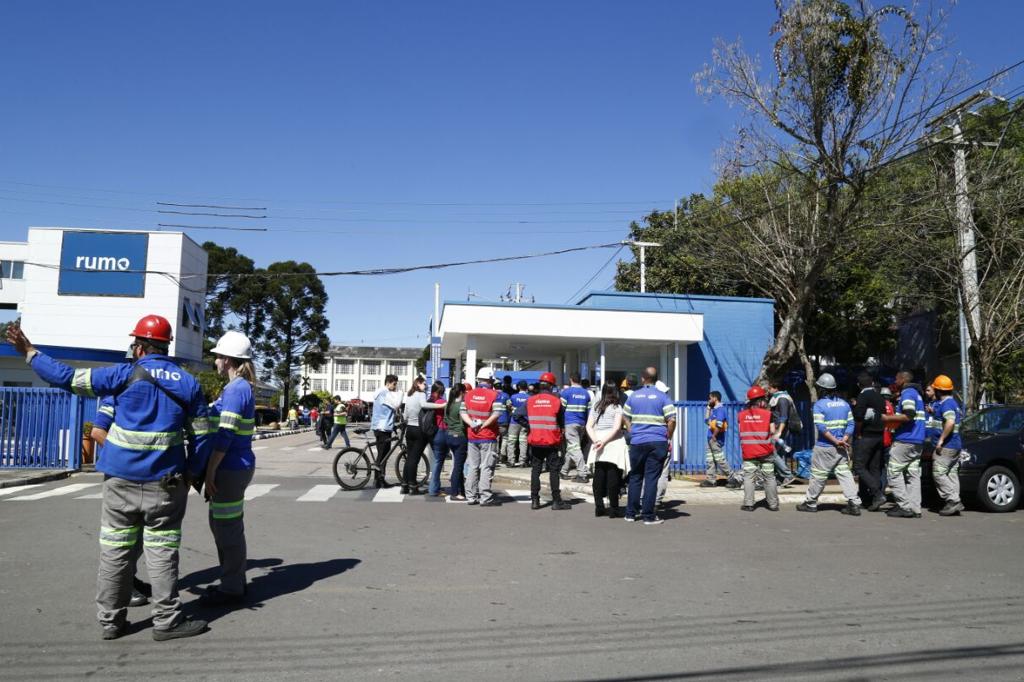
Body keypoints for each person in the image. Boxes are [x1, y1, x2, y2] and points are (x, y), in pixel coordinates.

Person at [7, 316, 210, 641]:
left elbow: (68, 378)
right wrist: (192, 473)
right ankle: (167, 621)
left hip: (119, 482)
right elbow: (202, 436)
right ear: (166, 346)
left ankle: (111, 622)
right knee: (162, 550)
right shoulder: (188, 383)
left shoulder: (120, 375)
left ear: (140, 347)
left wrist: (30, 352)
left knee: (116, 550)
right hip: (166, 484)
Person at [199, 330, 258, 606]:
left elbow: (226, 434)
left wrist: (211, 470)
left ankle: (232, 587)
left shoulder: (236, 390)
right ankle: (232, 581)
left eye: (218, 357)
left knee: (227, 528)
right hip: (234, 466)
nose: (216, 362)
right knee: (222, 524)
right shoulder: (237, 388)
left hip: (230, 467)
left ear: (228, 359)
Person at [91, 398, 152, 610]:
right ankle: (122, 588)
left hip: (146, 479)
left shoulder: (147, 396)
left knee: (140, 537)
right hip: (124, 478)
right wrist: (125, 458)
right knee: (123, 541)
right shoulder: (114, 397)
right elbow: (97, 432)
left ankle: (129, 578)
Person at [796, 373, 861, 515]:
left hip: (824, 447)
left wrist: (835, 441)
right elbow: (851, 424)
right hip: (841, 447)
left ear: (822, 389)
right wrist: (843, 440)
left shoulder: (819, 405)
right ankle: (854, 503)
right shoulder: (844, 404)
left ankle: (810, 503)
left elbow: (821, 427)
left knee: (818, 476)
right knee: (845, 474)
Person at [622, 367, 675, 525]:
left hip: (637, 442)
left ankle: (630, 514)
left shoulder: (634, 396)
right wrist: (668, 436)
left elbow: (625, 416)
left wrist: (632, 431)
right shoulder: (663, 397)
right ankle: (648, 515)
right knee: (651, 479)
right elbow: (672, 419)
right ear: (656, 379)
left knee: (635, 477)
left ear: (643, 378)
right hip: (657, 442)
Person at [515, 371, 570, 510]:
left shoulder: (531, 400)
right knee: (554, 471)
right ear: (551, 386)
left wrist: (529, 426)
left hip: (535, 440)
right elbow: (562, 422)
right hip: (551, 441)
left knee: (536, 470)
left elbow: (516, 415)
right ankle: (556, 501)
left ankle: (535, 500)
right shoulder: (556, 401)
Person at [882, 370, 926, 519]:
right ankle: (915, 508)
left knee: (893, 472)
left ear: (902, 379)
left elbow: (909, 415)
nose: (895, 381)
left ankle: (904, 506)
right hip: (917, 440)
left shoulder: (907, 393)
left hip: (906, 440)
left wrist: (887, 419)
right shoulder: (917, 394)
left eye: (896, 379)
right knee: (913, 475)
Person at [460, 367, 505, 506]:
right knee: (486, 466)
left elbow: (462, 412)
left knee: (473, 466)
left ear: (478, 380)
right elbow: (497, 413)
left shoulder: (469, 394)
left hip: (472, 435)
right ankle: (485, 497)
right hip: (488, 436)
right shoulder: (495, 395)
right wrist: (484, 425)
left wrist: (472, 424)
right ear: (491, 380)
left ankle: (471, 496)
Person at [586, 381, 628, 517]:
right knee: (613, 476)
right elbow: (616, 428)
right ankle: (614, 509)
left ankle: (599, 507)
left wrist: (596, 441)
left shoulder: (596, 407)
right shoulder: (617, 407)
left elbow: (588, 426)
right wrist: (604, 442)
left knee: (598, 474)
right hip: (613, 443)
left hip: (598, 441)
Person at [738, 385, 779, 512]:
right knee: (769, 477)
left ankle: (749, 504)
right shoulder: (768, 414)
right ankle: (773, 505)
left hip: (749, 452)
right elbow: (772, 431)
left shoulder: (741, 415)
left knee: (749, 477)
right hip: (766, 452)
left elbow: (740, 432)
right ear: (760, 401)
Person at [851, 372, 888, 511]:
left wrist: (858, 433)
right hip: (879, 435)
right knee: (874, 468)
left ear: (858, 385)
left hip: (866, 436)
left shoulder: (863, 396)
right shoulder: (879, 396)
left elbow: (859, 417)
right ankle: (869, 499)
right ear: (872, 383)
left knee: (859, 466)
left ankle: (877, 495)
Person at [930, 375, 965, 516]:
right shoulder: (951, 403)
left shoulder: (947, 404)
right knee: (951, 474)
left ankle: (953, 500)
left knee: (939, 473)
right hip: (955, 445)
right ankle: (954, 502)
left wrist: (941, 440)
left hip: (947, 446)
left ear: (939, 391)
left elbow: (950, 422)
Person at [371, 375, 403, 488]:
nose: (395, 387)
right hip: (382, 427)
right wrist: (401, 393)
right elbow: (396, 405)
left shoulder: (380, 392)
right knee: (383, 455)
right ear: (388, 383)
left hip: (381, 426)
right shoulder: (384, 393)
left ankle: (379, 480)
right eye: (394, 384)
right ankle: (379, 480)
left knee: (383, 454)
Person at [559, 372, 592, 482]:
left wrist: (561, 425)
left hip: (570, 423)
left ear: (571, 379)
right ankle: (563, 471)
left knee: (574, 448)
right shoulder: (586, 393)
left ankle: (582, 474)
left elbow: (561, 410)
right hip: (582, 424)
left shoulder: (566, 392)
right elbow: (588, 411)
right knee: (572, 448)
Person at [702, 391, 739, 488]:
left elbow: (719, 424)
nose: (709, 400)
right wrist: (708, 408)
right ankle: (711, 480)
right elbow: (706, 421)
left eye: (710, 398)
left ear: (715, 398)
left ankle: (733, 478)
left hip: (715, 439)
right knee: (710, 460)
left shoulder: (720, 410)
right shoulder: (714, 410)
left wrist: (714, 435)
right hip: (710, 438)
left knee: (720, 460)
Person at [766, 378, 799, 487]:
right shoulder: (777, 398)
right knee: (779, 454)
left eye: (770, 388)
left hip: (779, 429)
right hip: (777, 428)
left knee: (772, 453)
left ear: (776, 388)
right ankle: (781, 478)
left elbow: (784, 417)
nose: (768, 390)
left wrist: (779, 431)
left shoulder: (782, 399)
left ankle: (787, 475)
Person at [425, 382, 450, 497]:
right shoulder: (441, 402)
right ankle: (434, 489)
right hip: (441, 431)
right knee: (438, 461)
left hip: (431, 432)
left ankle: (436, 486)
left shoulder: (429, 401)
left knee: (437, 460)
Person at [444, 383, 469, 500]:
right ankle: (454, 493)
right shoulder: (461, 405)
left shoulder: (448, 404)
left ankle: (461, 491)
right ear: (462, 393)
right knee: (458, 467)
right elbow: (464, 422)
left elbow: (445, 420)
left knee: (458, 465)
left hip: (449, 435)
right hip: (460, 436)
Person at [504, 381, 530, 467]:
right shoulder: (529, 397)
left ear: (519, 387)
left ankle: (511, 461)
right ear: (526, 387)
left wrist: (512, 411)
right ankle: (522, 461)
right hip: (525, 422)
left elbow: (508, 406)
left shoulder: (513, 396)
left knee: (511, 441)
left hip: (514, 421)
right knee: (523, 442)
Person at [494, 380, 512, 464]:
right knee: (505, 438)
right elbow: (509, 406)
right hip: (504, 420)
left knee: (496, 438)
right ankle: (503, 455)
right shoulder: (506, 395)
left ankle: (495, 456)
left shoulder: (492, 394)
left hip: (494, 420)